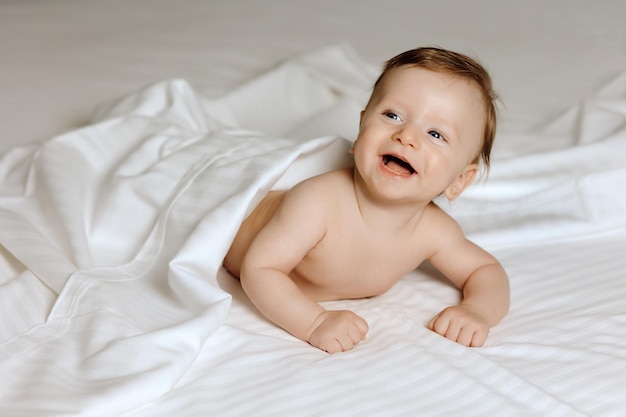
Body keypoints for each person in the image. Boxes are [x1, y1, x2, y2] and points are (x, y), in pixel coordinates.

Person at [224, 46, 510, 354]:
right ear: (360, 132)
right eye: (392, 115)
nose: (406, 136)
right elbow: (261, 269)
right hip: (236, 211)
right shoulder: (317, 203)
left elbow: (485, 271)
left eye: (435, 134)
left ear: (459, 181)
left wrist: (478, 310)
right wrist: (313, 322)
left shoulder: (434, 232)